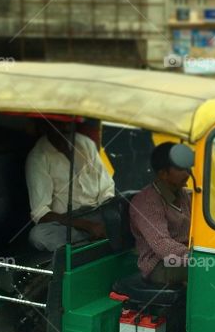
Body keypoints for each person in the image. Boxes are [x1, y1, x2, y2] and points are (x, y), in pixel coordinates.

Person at [25, 118, 115, 251]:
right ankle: (91, 243)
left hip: (98, 211)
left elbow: (107, 189)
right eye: (59, 123)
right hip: (69, 222)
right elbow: (41, 213)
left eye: (68, 122)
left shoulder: (85, 143)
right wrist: (88, 226)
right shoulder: (38, 157)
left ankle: (91, 240)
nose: (66, 127)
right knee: (38, 235)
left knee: (130, 205)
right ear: (44, 127)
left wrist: (110, 214)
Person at [129, 142, 195, 285]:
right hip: (160, 264)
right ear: (163, 174)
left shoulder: (182, 193)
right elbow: (162, 245)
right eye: (180, 169)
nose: (187, 173)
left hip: (184, 256)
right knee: (210, 268)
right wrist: (196, 257)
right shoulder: (147, 202)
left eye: (187, 168)